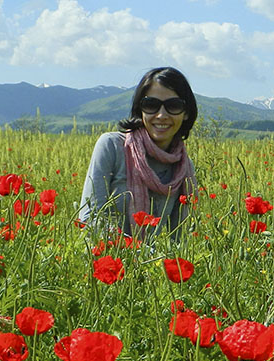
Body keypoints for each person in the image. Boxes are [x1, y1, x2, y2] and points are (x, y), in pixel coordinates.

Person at [78, 67, 198, 239]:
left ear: (186, 113)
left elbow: (181, 237)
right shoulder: (112, 147)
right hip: (107, 261)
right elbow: (89, 219)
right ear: (140, 109)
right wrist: (136, 251)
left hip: (150, 264)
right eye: (151, 105)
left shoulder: (183, 167)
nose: (161, 115)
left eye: (173, 106)